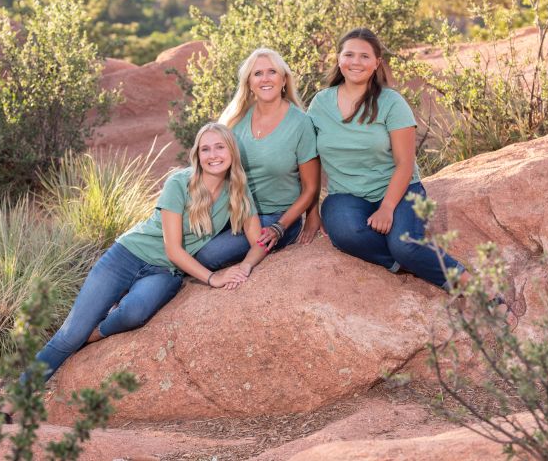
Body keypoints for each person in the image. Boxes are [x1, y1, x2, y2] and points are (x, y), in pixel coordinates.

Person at [30, 123, 265, 383]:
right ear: (197, 155)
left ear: (232, 151)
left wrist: (246, 266)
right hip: (126, 256)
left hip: (164, 272)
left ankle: (94, 333)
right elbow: (173, 249)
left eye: (220, 147)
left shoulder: (238, 193)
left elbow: (257, 241)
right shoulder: (179, 183)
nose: (213, 155)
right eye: (205, 149)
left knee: (133, 313)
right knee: (69, 335)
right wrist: (212, 278)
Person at [305, 28, 470, 291]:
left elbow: (405, 163)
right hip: (346, 196)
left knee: (405, 244)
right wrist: (312, 212)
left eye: (364, 56)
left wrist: (387, 207)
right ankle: (410, 263)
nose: (355, 62)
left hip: (399, 189)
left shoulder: (392, 103)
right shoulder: (320, 103)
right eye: (349, 54)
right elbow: (308, 159)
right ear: (338, 59)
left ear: (376, 63)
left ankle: (474, 288)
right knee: (345, 233)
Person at [194, 48, 320, 273]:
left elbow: (310, 187)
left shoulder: (301, 123)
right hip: (233, 211)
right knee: (185, 243)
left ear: (283, 79)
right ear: (249, 82)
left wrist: (281, 227)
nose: (265, 79)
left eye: (272, 71)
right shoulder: (236, 120)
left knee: (207, 255)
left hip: (278, 217)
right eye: (257, 73)